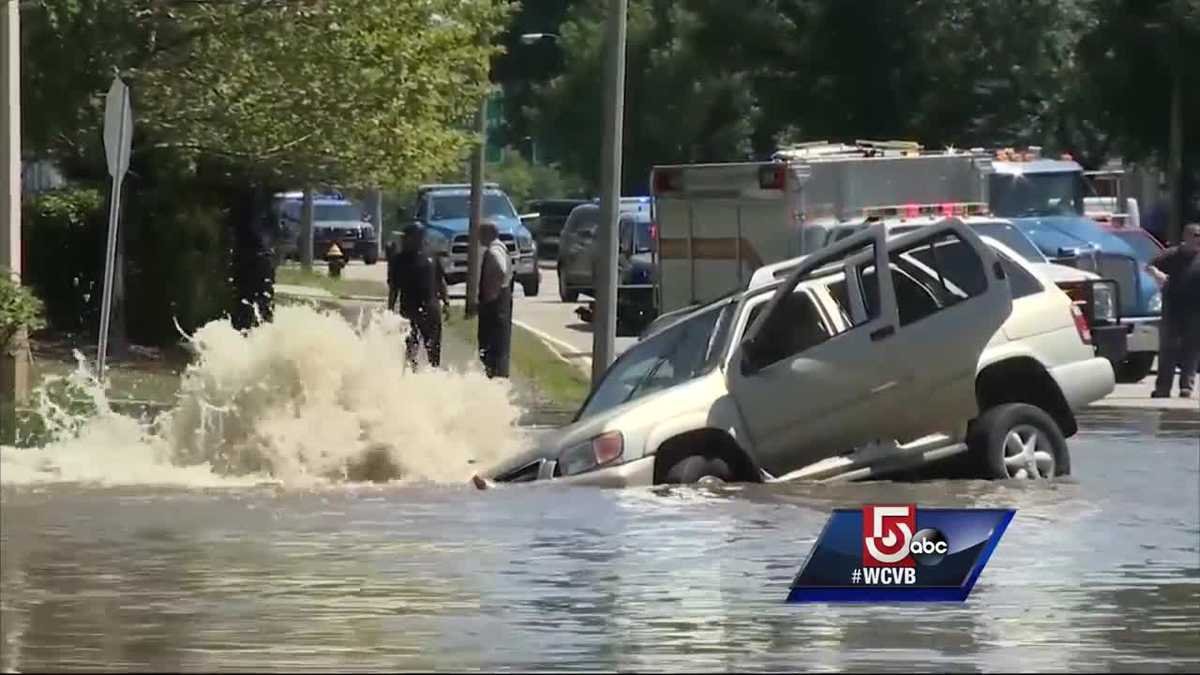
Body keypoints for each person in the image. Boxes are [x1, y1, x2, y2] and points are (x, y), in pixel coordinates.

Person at [1146, 222, 1200, 398]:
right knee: (1168, 348)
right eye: (1195, 235)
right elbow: (1149, 266)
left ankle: (1187, 387)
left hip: (1195, 310)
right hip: (1173, 308)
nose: (1198, 239)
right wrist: (1158, 275)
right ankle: (1163, 388)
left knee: (1191, 349)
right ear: (1185, 237)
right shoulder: (1172, 255)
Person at [389, 225, 450, 369]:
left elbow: (440, 281)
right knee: (410, 350)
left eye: (407, 237)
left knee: (433, 350)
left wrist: (446, 302)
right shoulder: (398, 260)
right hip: (409, 311)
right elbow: (393, 288)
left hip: (430, 309)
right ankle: (412, 378)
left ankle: (433, 376)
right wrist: (390, 309)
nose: (404, 241)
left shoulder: (431, 257)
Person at [477, 220, 513, 378]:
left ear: (488, 234)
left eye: (480, 233)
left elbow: (500, 270)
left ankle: (494, 380)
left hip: (495, 307)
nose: (478, 237)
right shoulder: (501, 248)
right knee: (498, 347)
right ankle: (497, 378)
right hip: (501, 303)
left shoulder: (494, 250)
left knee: (492, 348)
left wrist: (491, 294)